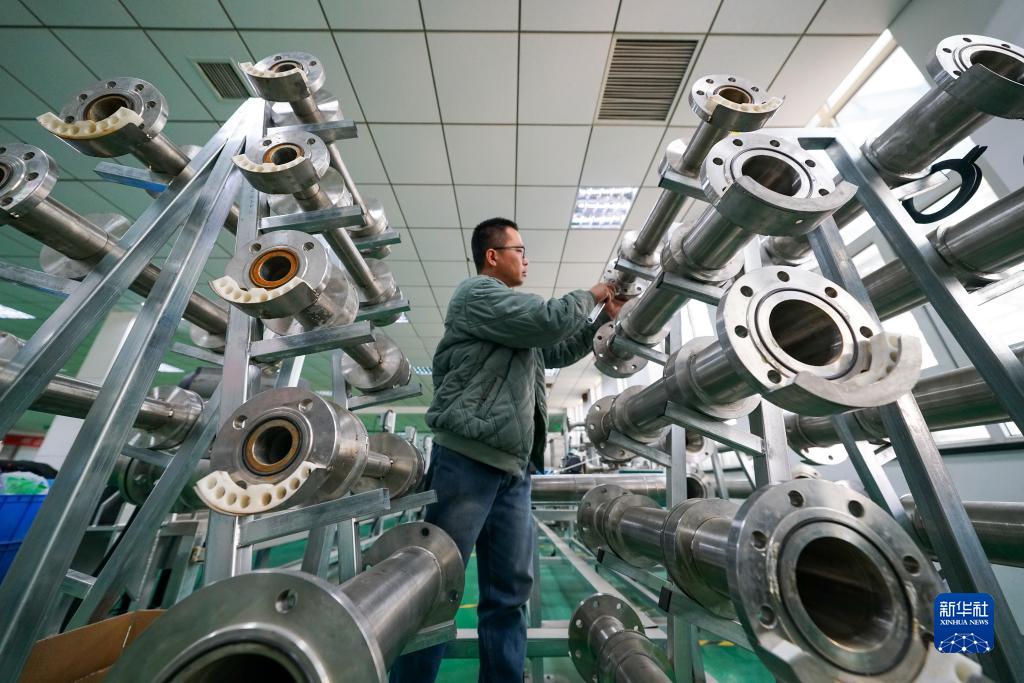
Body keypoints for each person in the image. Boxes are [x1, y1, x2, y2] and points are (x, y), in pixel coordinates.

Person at [389, 217, 621, 683]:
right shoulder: (476, 294)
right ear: (492, 256)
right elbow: (547, 320)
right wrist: (595, 292)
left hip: (513, 470)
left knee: (510, 593)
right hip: (467, 460)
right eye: (519, 250)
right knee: (438, 584)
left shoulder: (513, 328)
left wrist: (604, 319)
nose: (526, 260)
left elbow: (556, 348)